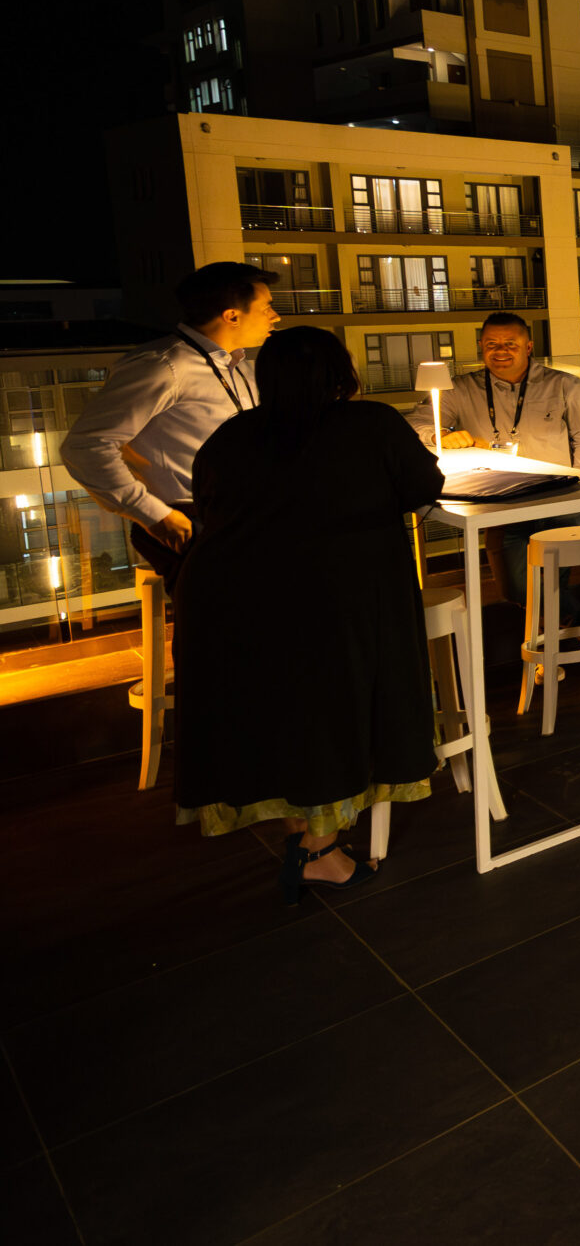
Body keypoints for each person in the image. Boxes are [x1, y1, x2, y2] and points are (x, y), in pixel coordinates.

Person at [171, 327, 445, 899]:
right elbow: (425, 484)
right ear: (342, 372)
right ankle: (318, 853)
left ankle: (302, 834)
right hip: (327, 596)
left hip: (228, 598)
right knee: (329, 713)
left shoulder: (232, 435)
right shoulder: (369, 423)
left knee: (275, 713)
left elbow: (210, 504)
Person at [64, 262, 280, 592]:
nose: (275, 317)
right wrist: (156, 516)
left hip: (238, 517)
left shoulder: (239, 367)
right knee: (217, 629)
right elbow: (86, 446)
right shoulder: (164, 365)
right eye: (266, 308)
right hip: (192, 520)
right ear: (232, 315)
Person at [407, 312, 580, 602]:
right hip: (500, 503)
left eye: (510, 344)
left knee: (555, 584)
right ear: (481, 346)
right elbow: (417, 421)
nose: (500, 351)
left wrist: (578, 484)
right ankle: (541, 630)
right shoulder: (461, 388)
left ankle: (556, 632)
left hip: (557, 498)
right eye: (491, 344)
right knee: (514, 588)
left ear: (528, 347)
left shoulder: (564, 384)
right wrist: (440, 435)